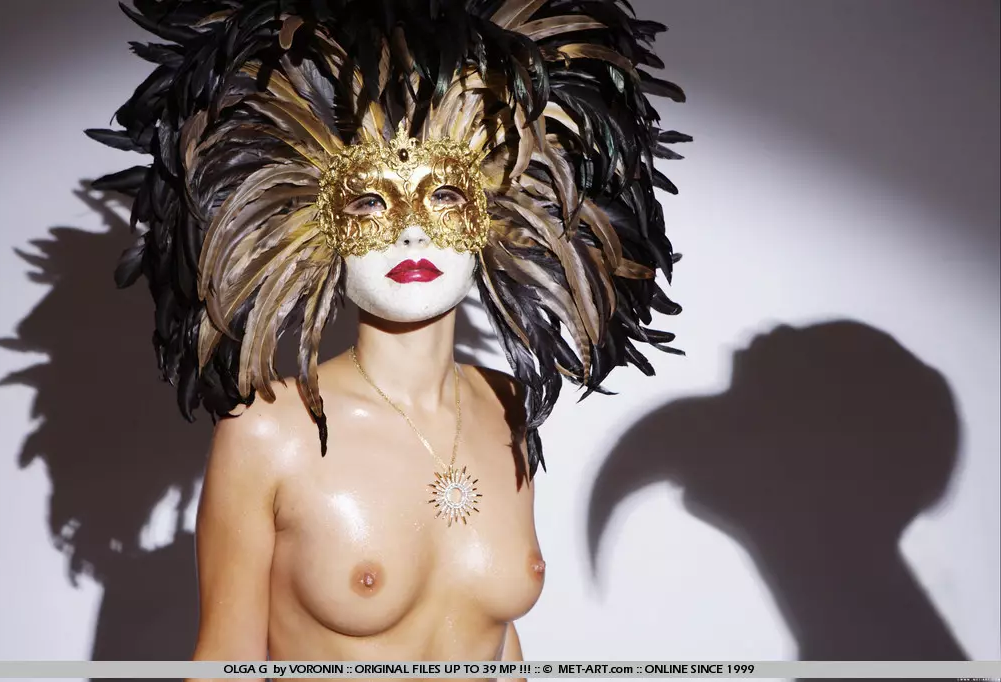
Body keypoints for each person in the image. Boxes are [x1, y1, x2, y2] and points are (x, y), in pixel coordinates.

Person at [88, 0, 689, 672]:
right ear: (317, 228)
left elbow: (495, 637)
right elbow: (224, 660)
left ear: (496, 215)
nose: (412, 230)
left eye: (446, 196)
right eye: (369, 201)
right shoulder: (269, 432)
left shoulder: (508, 407)